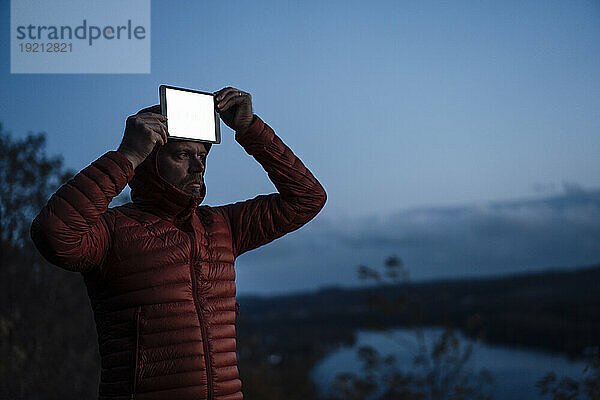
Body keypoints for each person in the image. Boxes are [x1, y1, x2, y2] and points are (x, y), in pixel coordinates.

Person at [30, 86, 327, 400]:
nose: (198, 166)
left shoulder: (222, 226)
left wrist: (250, 128)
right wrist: (126, 156)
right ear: (149, 160)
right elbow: (54, 233)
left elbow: (307, 199)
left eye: (202, 155)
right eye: (184, 154)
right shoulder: (112, 231)